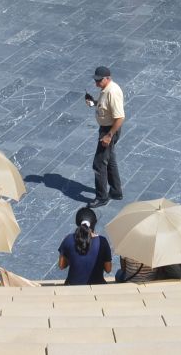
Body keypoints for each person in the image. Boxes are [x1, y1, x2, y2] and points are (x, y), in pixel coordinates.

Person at [86, 65, 125, 208]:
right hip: (106, 129)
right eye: (95, 80)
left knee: (99, 164)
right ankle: (116, 191)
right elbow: (105, 106)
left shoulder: (112, 92)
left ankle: (101, 197)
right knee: (110, 160)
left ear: (108, 78)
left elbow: (120, 118)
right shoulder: (105, 89)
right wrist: (94, 103)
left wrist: (109, 135)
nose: (96, 83)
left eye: (99, 80)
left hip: (109, 131)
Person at [57, 206, 112, 285]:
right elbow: (108, 269)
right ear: (94, 223)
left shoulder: (68, 239)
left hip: (72, 286)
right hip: (97, 286)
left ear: (77, 223)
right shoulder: (102, 241)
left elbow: (61, 266)